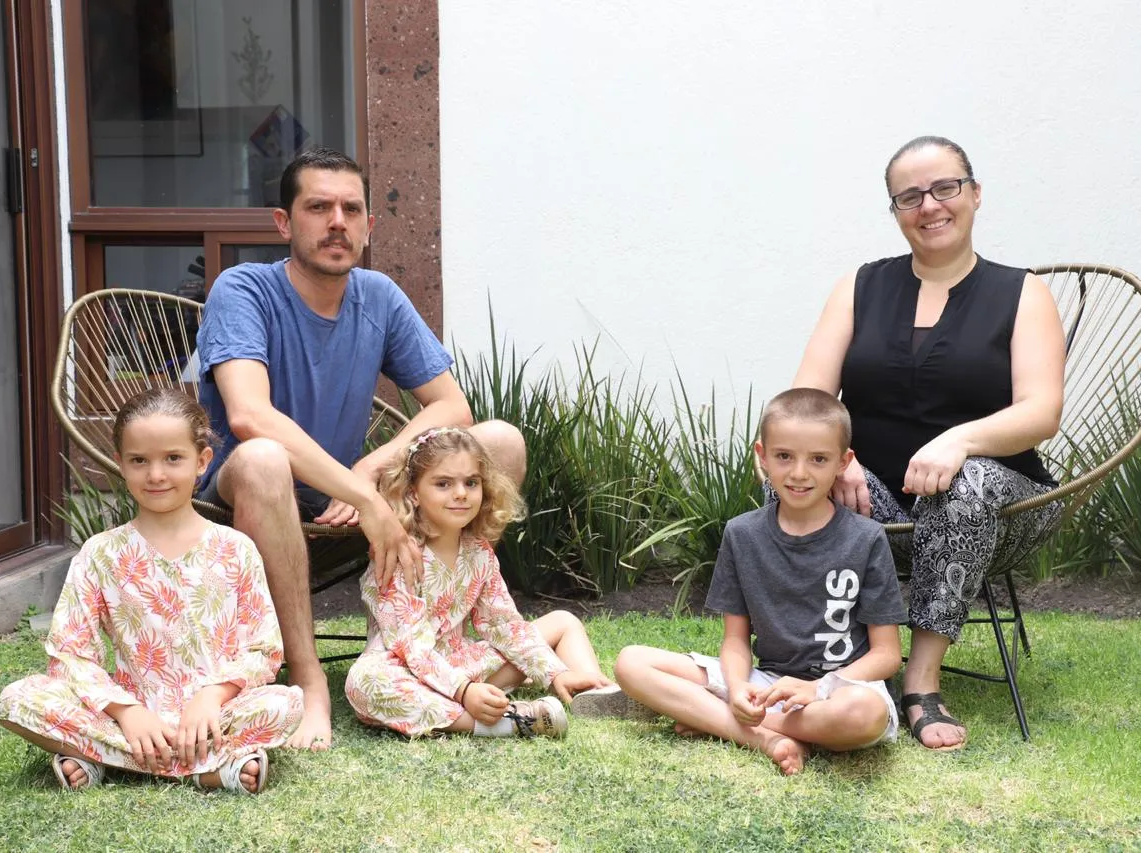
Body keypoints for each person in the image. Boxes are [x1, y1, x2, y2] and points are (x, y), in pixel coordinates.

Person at [194, 147, 525, 750]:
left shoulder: (378, 296)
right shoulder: (243, 289)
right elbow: (248, 416)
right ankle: (310, 681)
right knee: (266, 458)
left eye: (351, 209)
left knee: (499, 441)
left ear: (370, 227)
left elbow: (453, 407)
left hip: (344, 490)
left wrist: (372, 470)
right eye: (318, 207)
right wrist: (364, 497)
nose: (336, 222)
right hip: (242, 494)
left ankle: (431, 636)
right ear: (283, 222)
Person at [791, 135, 1065, 750]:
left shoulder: (1022, 295)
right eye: (910, 195)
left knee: (963, 484)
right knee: (794, 472)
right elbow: (807, 401)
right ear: (895, 211)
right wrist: (844, 458)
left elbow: (1042, 412)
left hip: (1002, 503)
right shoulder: (860, 287)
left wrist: (960, 441)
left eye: (945, 187)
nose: (930, 205)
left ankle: (919, 680)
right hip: (878, 497)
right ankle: (813, 653)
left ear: (974, 194)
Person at [0, 389, 303, 793]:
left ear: (202, 462)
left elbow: (263, 650)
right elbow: (70, 653)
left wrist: (211, 697)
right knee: (19, 699)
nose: (156, 475)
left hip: (217, 713)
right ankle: (209, 771)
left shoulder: (235, 549)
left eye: (173, 458)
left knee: (285, 704)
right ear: (121, 465)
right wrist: (127, 713)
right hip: (131, 716)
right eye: (139, 460)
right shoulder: (100, 553)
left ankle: (108, 759)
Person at [614, 389, 906, 775]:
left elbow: (885, 656)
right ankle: (766, 738)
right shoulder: (742, 534)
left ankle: (722, 722)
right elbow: (735, 640)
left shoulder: (866, 537)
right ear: (762, 455)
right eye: (784, 456)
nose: (799, 473)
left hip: (840, 688)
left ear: (843, 462)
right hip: (765, 683)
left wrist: (818, 689)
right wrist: (737, 689)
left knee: (862, 715)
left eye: (818, 459)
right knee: (631, 663)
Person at [345, 427, 627, 738]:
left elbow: (503, 625)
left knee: (562, 621)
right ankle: (511, 721)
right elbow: (410, 647)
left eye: (471, 482)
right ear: (413, 492)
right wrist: (464, 691)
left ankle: (593, 691)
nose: (461, 493)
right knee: (366, 683)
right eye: (443, 484)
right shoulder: (400, 554)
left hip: (462, 663)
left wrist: (555, 671)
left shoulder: (478, 552)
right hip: (406, 668)